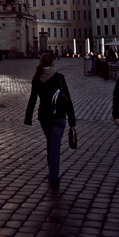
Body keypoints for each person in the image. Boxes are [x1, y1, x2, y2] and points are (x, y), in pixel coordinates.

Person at [24, 52, 76, 189]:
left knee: (50, 143)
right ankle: (53, 176)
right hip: (59, 116)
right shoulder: (59, 77)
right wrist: (72, 120)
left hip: (44, 117)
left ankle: (51, 171)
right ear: (53, 63)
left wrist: (28, 117)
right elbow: (67, 99)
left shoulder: (37, 78)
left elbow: (33, 99)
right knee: (55, 147)